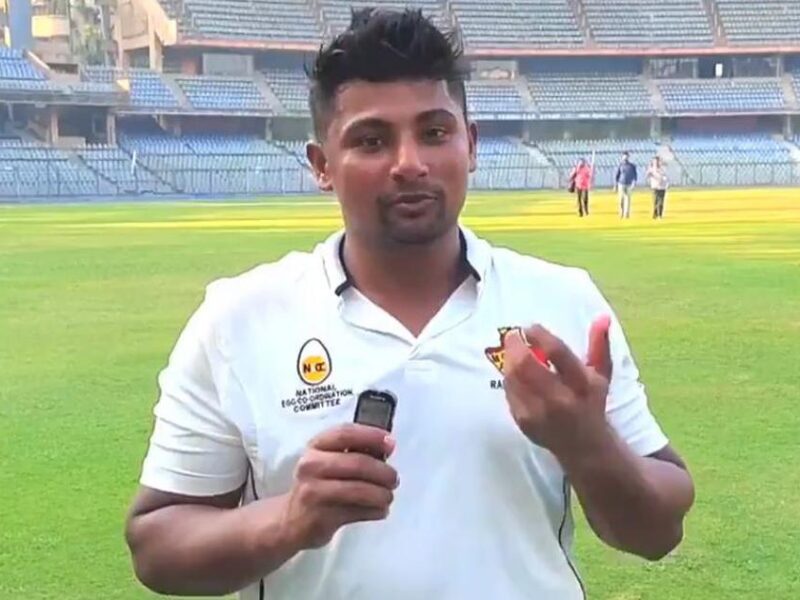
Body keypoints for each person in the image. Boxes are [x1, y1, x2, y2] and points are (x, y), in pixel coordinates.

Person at [124, 10, 695, 600]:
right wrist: (288, 520)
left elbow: (658, 532)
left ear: (471, 146)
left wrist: (588, 445)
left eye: (435, 133)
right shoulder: (239, 319)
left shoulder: (561, 302)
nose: (409, 163)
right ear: (322, 165)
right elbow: (157, 546)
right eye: (371, 140)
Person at [614, 151, 638, 219]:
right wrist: (616, 184)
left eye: (627, 156)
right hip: (621, 184)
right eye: (624, 156)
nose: (625, 157)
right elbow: (617, 175)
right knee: (621, 199)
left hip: (629, 184)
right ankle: (621, 212)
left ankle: (627, 213)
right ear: (622, 157)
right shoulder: (620, 165)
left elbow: (635, 175)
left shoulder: (632, 166)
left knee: (628, 199)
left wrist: (634, 182)